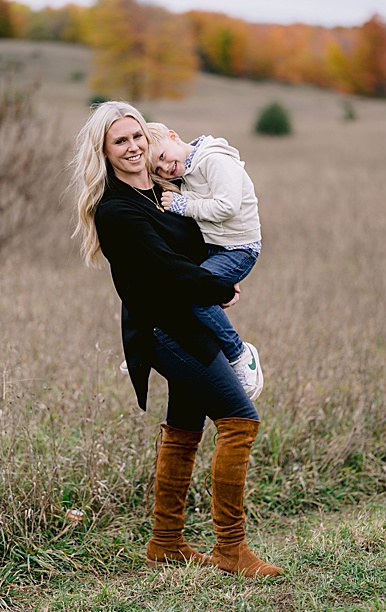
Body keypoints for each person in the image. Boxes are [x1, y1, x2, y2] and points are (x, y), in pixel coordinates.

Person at [71, 101, 281, 578]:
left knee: (185, 428)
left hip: (191, 320)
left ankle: (166, 541)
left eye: (137, 137)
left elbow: (203, 241)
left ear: (150, 137)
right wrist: (218, 286)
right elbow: (166, 271)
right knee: (239, 421)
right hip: (166, 329)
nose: (132, 147)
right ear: (103, 152)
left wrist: (217, 275)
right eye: (119, 141)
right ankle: (231, 548)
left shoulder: (165, 189)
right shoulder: (117, 211)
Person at [145, 122, 264, 400]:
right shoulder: (187, 171)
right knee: (176, 290)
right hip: (215, 249)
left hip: (239, 249)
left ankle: (240, 353)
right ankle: (146, 346)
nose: (165, 168)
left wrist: (182, 204)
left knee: (195, 294)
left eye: (162, 157)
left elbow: (227, 206)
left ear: (173, 136)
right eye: (158, 170)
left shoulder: (214, 160)